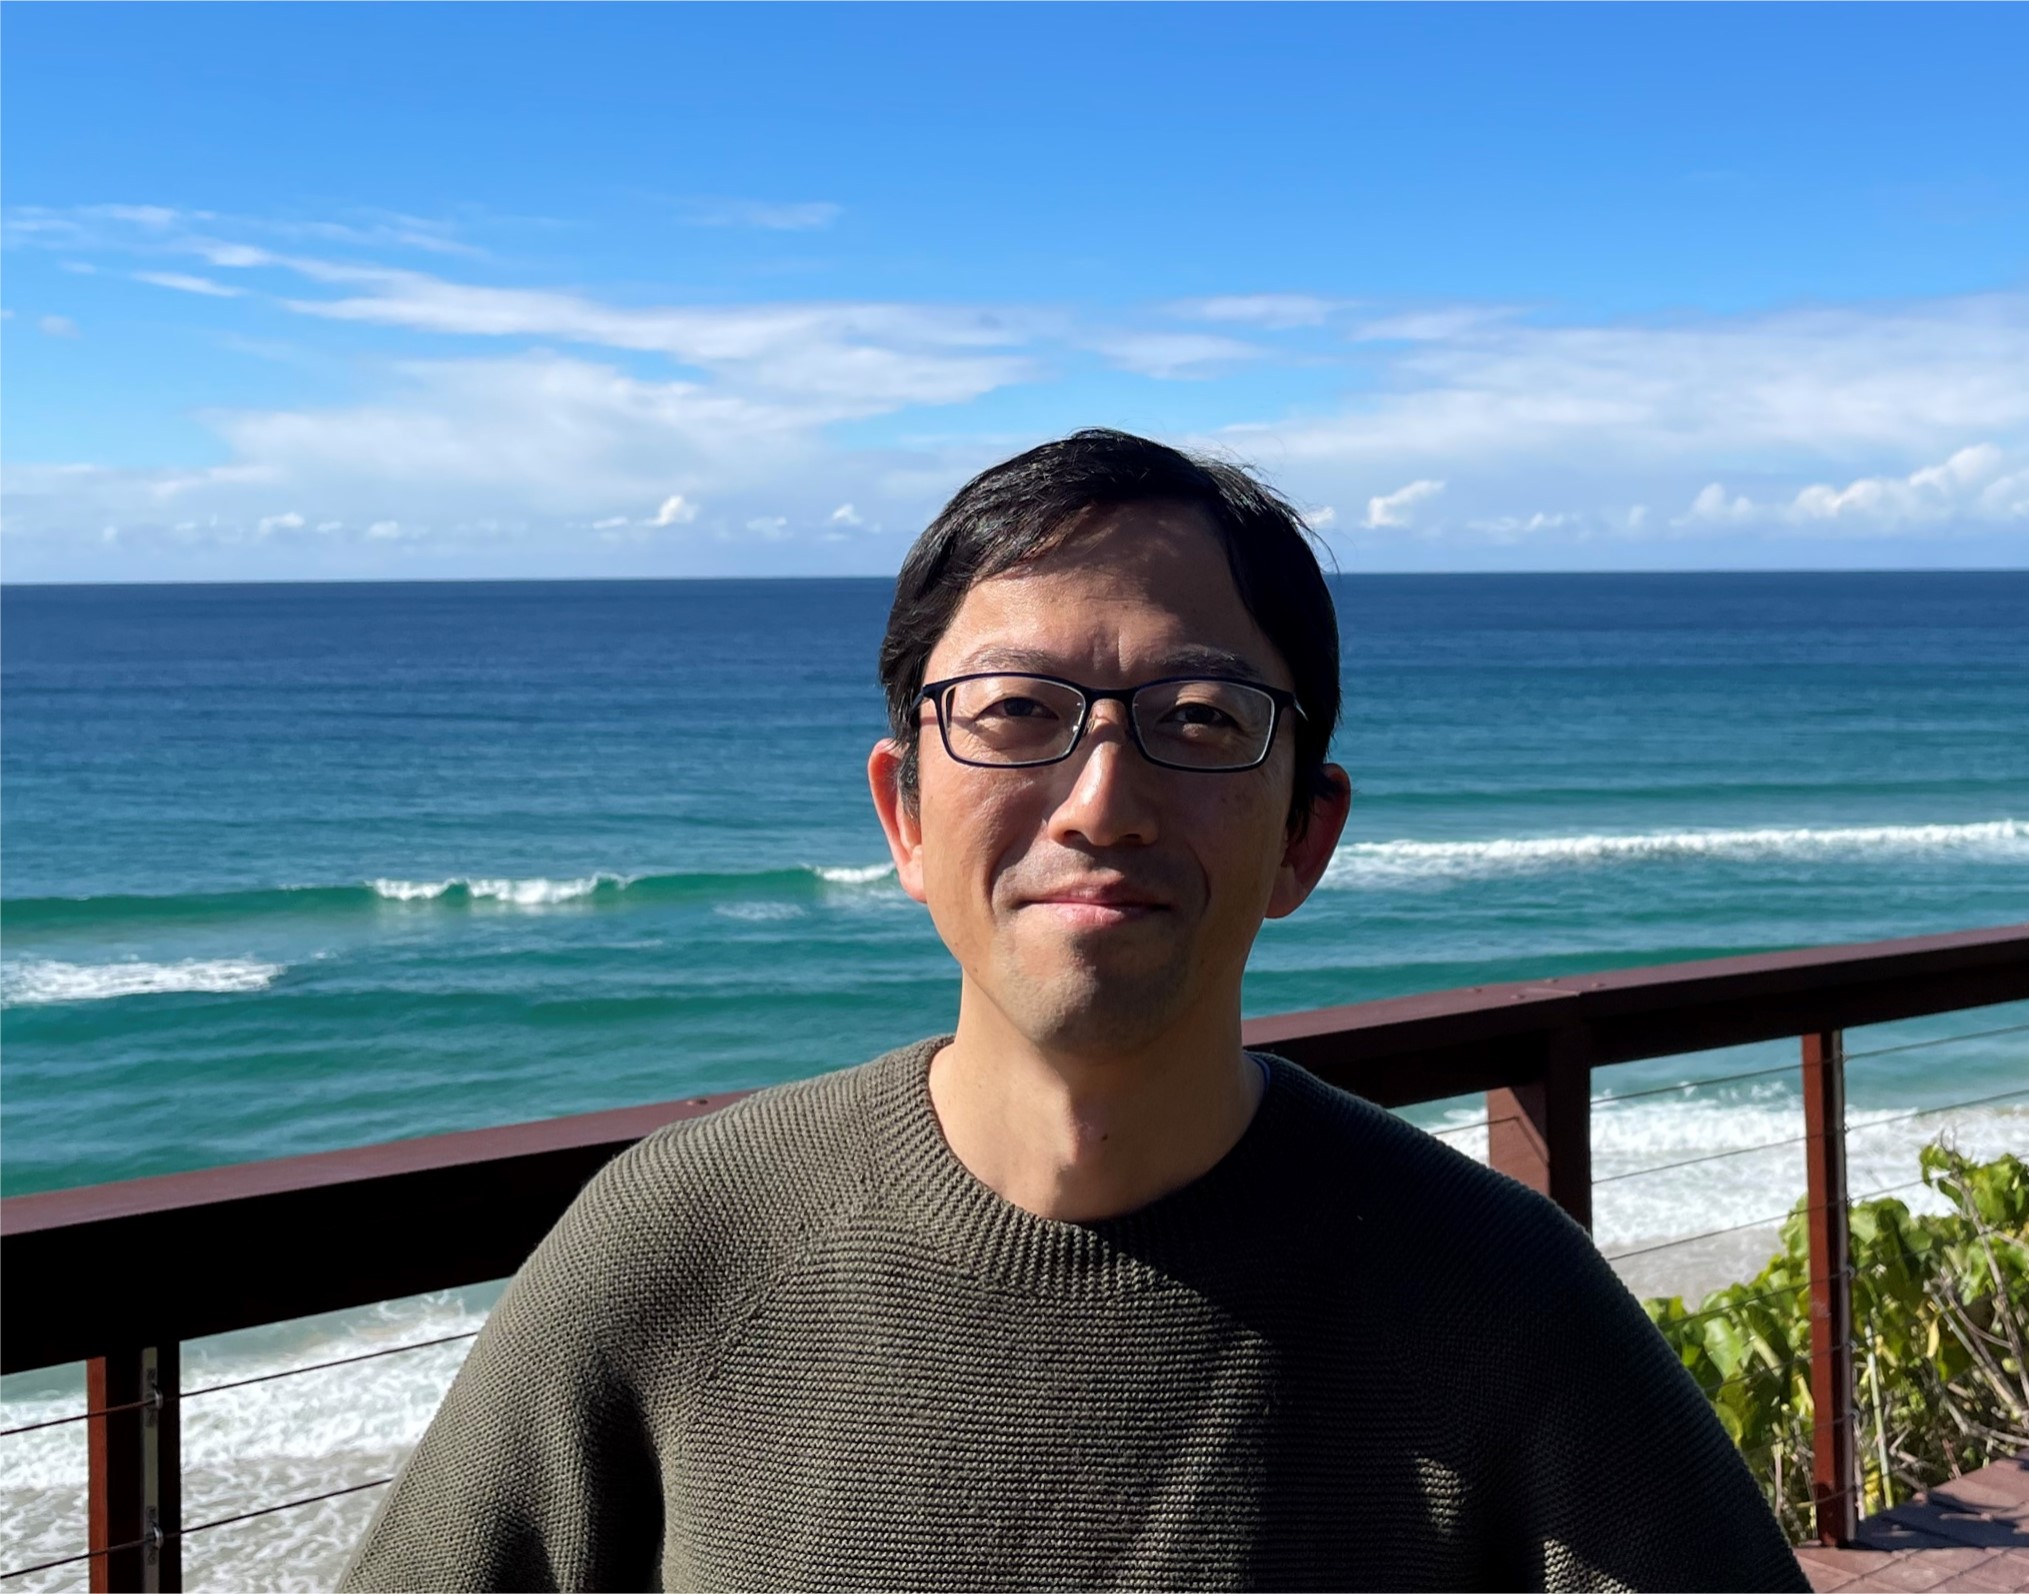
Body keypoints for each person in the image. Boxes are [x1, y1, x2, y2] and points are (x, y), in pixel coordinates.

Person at [342, 430, 1807, 1592]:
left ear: (1307, 831)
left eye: (1201, 719)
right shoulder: (678, 1248)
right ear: (903, 812)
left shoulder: (1500, 1299)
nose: (1103, 798)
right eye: (1017, 711)